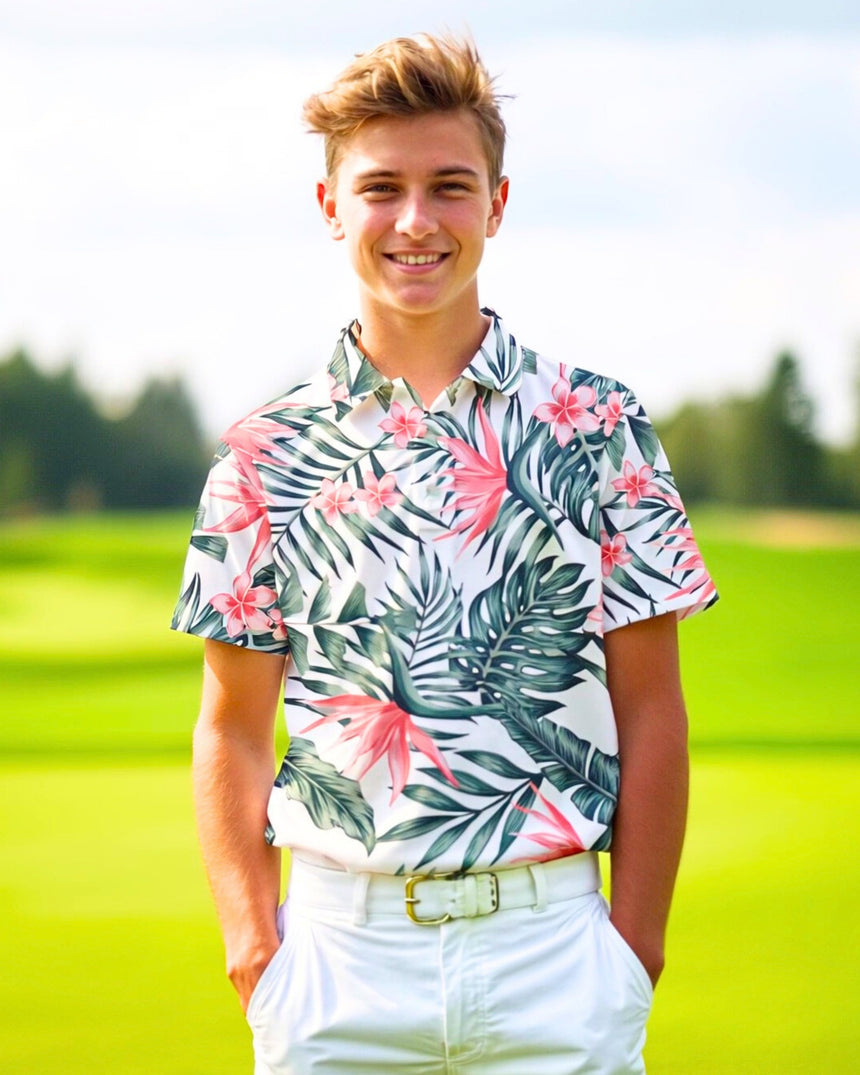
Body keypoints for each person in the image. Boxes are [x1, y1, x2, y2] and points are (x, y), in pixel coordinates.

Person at [173, 33, 718, 1075]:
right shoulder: (263, 451)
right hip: (336, 961)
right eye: (380, 188)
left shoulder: (597, 425)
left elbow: (651, 704)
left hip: (556, 955)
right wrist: (253, 948)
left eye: (449, 187)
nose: (415, 221)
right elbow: (230, 725)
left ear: (497, 204)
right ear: (330, 207)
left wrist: (631, 951)